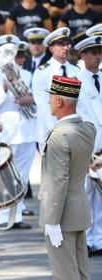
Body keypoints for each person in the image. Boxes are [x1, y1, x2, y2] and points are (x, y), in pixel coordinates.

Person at [39, 75, 95, 280]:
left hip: (61, 214)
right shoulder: (87, 129)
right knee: (80, 272)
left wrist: (51, 221)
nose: (50, 101)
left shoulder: (59, 136)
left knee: (66, 274)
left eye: (52, 97)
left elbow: (56, 182)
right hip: (79, 208)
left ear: (59, 101)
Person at [0, 35, 37, 229]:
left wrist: (30, 99)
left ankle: (17, 215)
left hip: (26, 129)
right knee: (3, 174)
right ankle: (1, 215)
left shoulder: (26, 73)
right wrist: (4, 86)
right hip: (5, 130)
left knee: (22, 175)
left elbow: (35, 97)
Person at [74, 36, 102, 257]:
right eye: (93, 52)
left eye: (100, 52)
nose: (98, 56)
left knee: (100, 196)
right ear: (82, 55)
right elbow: (64, 114)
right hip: (86, 145)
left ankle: (99, 239)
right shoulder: (72, 80)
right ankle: (85, 240)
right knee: (85, 194)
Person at [32, 27, 80, 149]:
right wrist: (58, 132)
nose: (66, 47)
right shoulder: (42, 72)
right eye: (60, 44)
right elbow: (43, 105)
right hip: (50, 134)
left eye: (67, 44)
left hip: (74, 133)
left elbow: (80, 105)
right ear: (51, 48)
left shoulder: (76, 71)